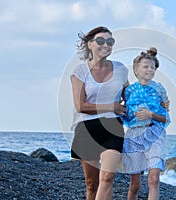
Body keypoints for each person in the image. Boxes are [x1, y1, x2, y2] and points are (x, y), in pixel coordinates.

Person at [70, 26, 129, 200]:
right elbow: (81, 106)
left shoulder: (120, 69)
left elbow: (131, 97)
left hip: (113, 127)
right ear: (90, 44)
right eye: (101, 41)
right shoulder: (80, 71)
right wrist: (111, 106)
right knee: (92, 184)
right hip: (86, 128)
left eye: (110, 41)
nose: (106, 45)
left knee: (108, 177)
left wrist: (158, 103)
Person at [121, 47, 170, 200]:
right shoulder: (128, 91)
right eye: (146, 66)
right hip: (133, 135)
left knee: (153, 179)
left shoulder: (160, 89)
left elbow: (165, 118)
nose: (150, 70)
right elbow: (124, 111)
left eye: (153, 67)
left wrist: (151, 114)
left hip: (154, 133)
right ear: (136, 69)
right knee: (135, 184)